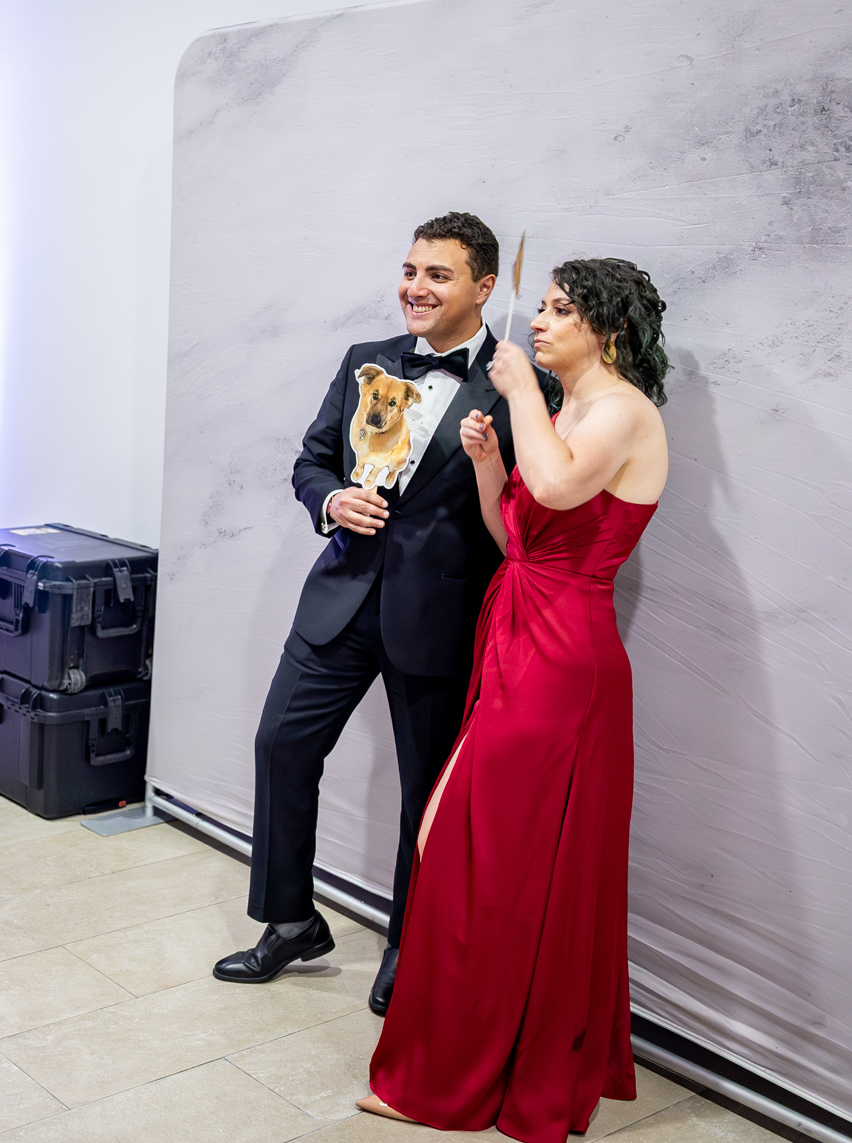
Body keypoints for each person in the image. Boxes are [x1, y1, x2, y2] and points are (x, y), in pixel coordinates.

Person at [361, 259, 670, 1142]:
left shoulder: (622, 412)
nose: (538, 322)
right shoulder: (568, 411)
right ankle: (472, 1056)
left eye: (561, 309)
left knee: (488, 859)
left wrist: (520, 396)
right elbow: (519, 539)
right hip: (516, 637)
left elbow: (566, 488)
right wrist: (491, 465)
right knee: (465, 846)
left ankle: (469, 1071)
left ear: (607, 328)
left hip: (563, 663)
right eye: (542, 306)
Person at [213, 213, 549, 1016]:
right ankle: (291, 920)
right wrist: (332, 498)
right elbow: (311, 460)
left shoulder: (522, 387)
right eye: (409, 270)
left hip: (441, 614)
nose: (415, 288)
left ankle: (409, 943)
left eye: (437, 274)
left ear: (484, 287)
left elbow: (530, 516)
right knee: (280, 745)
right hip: (340, 597)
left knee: (423, 792)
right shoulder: (365, 359)